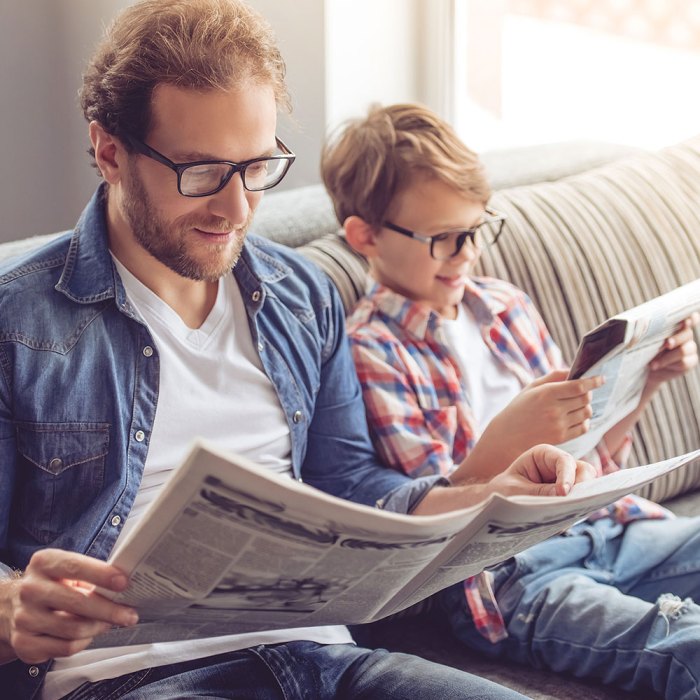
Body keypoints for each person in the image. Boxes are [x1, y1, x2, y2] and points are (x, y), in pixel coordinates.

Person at [0, 3, 597, 699]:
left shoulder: (302, 295)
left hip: (325, 661)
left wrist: (488, 494)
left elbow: (354, 494)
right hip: (129, 677)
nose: (238, 209)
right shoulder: (19, 324)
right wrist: (12, 609)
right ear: (109, 152)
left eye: (255, 168)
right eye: (199, 172)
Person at [320, 102, 700, 699]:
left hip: (611, 528)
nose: (467, 252)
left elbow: (588, 450)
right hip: (513, 580)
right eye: (444, 239)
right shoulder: (370, 352)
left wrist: (645, 382)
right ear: (365, 235)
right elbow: (432, 525)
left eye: (475, 229)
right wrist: (506, 441)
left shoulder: (505, 304)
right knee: (685, 646)